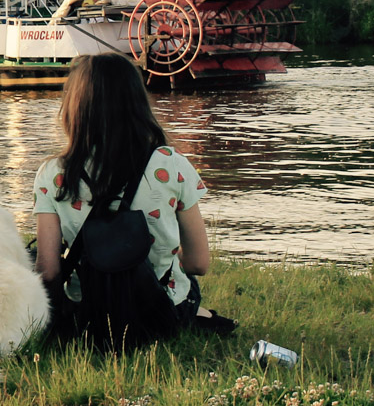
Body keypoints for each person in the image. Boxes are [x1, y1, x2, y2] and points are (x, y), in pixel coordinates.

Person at [33, 52, 234, 345]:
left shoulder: (52, 174)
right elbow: (198, 264)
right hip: (159, 310)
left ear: (74, 108)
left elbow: (48, 272)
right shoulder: (170, 163)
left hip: (88, 311)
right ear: (137, 103)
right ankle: (197, 315)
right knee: (182, 280)